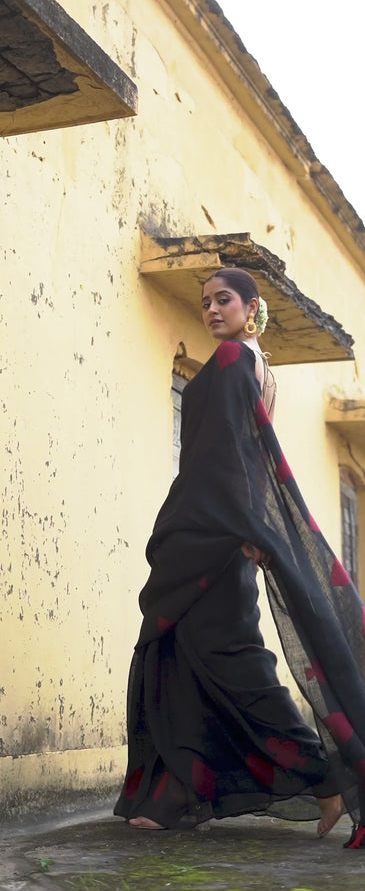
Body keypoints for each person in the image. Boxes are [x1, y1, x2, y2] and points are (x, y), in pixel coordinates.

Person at [114, 267, 365, 848]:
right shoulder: (256, 367)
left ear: (252, 307)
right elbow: (241, 456)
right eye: (205, 303)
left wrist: (245, 527)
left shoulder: (234, 362)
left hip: (215, 531)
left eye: (223, 300)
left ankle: (325, 775)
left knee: (233, 659)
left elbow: (232, 456)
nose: (210, 310)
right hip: (212, 526)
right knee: (179, 652)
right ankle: (178, 791)